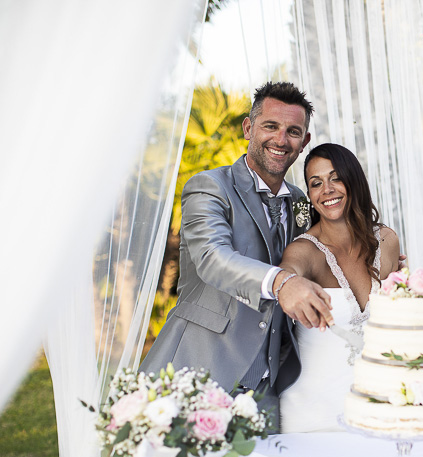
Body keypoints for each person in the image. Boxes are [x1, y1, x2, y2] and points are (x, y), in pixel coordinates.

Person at [139, 82, 334, 431]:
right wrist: (281, 282)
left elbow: (329, 250)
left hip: (269, 391)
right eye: (270, 126)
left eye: (293, 131)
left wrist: (375, 254)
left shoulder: (304, 202)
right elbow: (213, 257)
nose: (281, 140)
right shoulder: (209, 187)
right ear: (249, 128)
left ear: (304, 142)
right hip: (197, 371)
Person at [278, 143, 400, 433]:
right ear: (310, 195)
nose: (327, 189)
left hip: (380, 410)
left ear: (353, 179)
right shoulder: (303, 251)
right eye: (316, 183)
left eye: (335, 178)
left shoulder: (388, 241)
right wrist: (289, 283)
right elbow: (288, 273)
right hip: (312, 415)